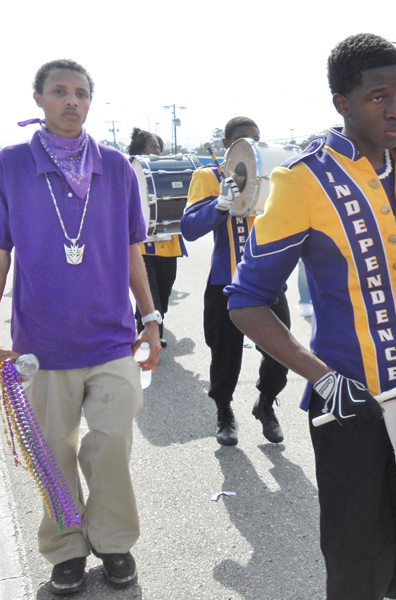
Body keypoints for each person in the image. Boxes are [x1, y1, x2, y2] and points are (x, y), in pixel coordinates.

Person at [226, 33, 396, 600]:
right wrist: (320, 377)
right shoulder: (302, 181)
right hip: (348, 403)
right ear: (343, 103)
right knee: (357, 559)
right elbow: (246, 300)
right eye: (378, 96)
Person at [0, 59, 161, 594]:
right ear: (39, 99)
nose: (72, 101)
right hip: (41, 342)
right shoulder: (11, 165)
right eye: (60, 92)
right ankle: (65, 547)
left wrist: (151, 319)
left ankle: (113, 541)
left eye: (81, 93)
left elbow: (134, 249)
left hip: (112, 337)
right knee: (52, 449)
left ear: (90, 102)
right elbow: (1, 252)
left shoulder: (115, 167)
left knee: (112, 440)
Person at [180, 117, 290, 446]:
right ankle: (224, 412)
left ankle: (266, 404)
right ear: (229, 146)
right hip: (224, 281)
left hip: (267, 280)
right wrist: (221, 203)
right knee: (225, 355)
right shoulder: (208, 176)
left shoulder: (271, 175)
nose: (251, 147)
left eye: (256, 141)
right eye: (243, 142)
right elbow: (189, 228)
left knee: (281, 352)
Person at [128, 127, 187, 348]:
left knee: (164, 288)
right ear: (141, 149)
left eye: (159, 147)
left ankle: (153, 321)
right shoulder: (129, 169)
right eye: (153, 147)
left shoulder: (163, 171)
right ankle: (149, 332)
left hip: (167, 243)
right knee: (149, 287)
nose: (158, 151)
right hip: (141, 245)